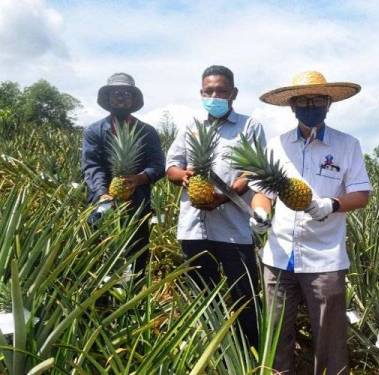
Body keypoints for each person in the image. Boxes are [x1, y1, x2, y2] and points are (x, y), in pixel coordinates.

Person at [250, 71, 371, 375]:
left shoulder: (347, 145)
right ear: (292, 106)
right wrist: (261, 213)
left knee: (329, 342)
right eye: (303, 100)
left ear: (329, 103)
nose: (310, 105)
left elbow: (362, 194)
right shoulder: (276, 145)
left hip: (325, 258)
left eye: (317, 99)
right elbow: (262, 193)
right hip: (278, 257)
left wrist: (333, 204)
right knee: (276, 337)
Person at [165, 65, 265, 348]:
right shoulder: (190, 125)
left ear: (233, 93)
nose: (215, 96)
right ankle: (213, 352)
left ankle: (251, 352)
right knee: (202, 294)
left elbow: (254, 169)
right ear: (201, 93)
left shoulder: (250, 126)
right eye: (209, 91)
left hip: (234, 229)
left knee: (245, 294)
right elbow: (172, 165)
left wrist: (227, 194)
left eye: (221, 91)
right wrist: (184, 177)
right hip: (193, 229)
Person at [81, 72, 165, 275]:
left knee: (137, 256)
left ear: (133, 99)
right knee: (99, 256)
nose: (121, 96)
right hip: (101, 204)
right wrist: (102, 193)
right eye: (116, 92)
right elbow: (91, 165)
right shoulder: (94, 131)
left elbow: (158, 164)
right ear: (108, 98)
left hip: (137, 204)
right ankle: (101, 302)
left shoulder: (147, 131)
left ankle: (134, 296)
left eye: (126, 93)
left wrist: (140, 178)